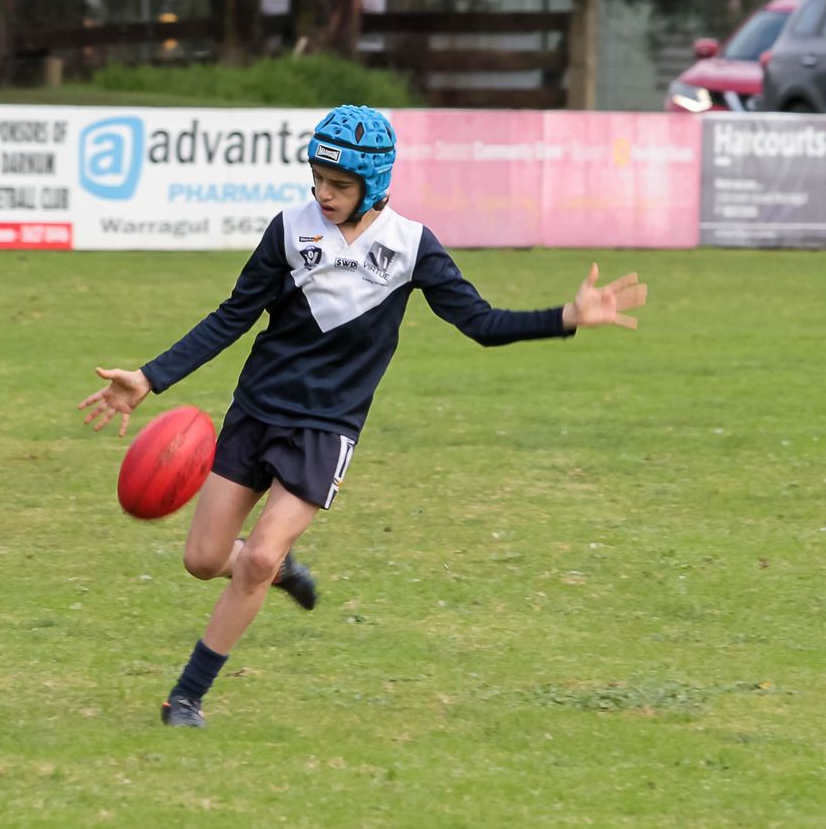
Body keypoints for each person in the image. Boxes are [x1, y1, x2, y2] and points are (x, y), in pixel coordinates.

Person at [78, 104, 647, 728]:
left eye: (339, 185)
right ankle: (278, 570)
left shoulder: (409, 247)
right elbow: (230, 316)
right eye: (318, 177)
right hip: (256, 412)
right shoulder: (289, 232)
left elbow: (480, 324)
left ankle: (186, 697)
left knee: (258, 558)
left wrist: (564, 317)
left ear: (373, 183)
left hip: (325, 430)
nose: (323, 192)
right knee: (203, 560)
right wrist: (149, 378)